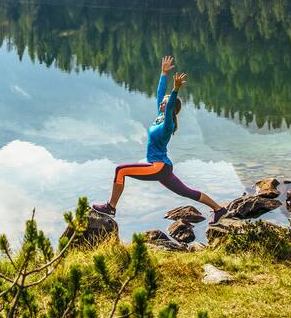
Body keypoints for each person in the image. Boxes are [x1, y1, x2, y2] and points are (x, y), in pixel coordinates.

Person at [92, 55, 229, 224]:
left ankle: (111, 207)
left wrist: (175, 90)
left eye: (164, 102)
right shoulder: (159, 117)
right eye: (163, 102)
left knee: (121, 170)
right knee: (187, 191)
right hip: (163, 167)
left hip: (158, 167)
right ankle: (219, 209)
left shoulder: (167, 124)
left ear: (169, 107)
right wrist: (163, 74)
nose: (162, 103)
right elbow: (159, 94)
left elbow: (170, 103)